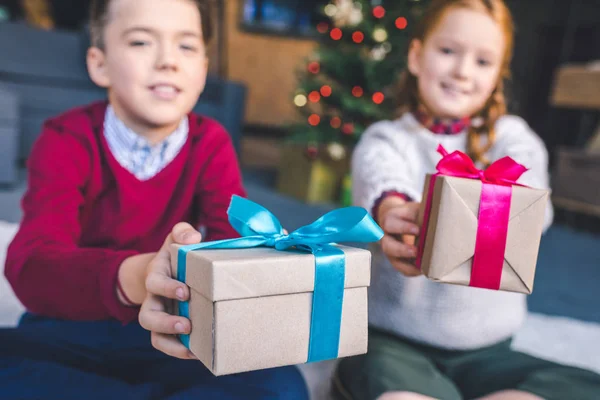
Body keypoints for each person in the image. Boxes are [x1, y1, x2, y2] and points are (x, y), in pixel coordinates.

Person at [0, 0, 309, 398]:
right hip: (68, 328)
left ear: (202, 70)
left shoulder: (210, 143)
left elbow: (232, 239)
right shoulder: (66, 138)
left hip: (177, 335)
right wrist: (139, 275)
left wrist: (260, 260)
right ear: (100, 64)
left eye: (186, 46)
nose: (168, 61)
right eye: (142, 42)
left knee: (281, 385)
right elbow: (30, 266)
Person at [331, 0, 600, 399]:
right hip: (393, 340)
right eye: (448, 51)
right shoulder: (388, 137)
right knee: (391, 386)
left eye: (482, 61)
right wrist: (394, 213)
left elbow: (531, 203)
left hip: (487, 350)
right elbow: (381, 182)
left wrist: (490, 199)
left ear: (497, 76)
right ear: (417, 56)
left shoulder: (512, 136)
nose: (462, 71)